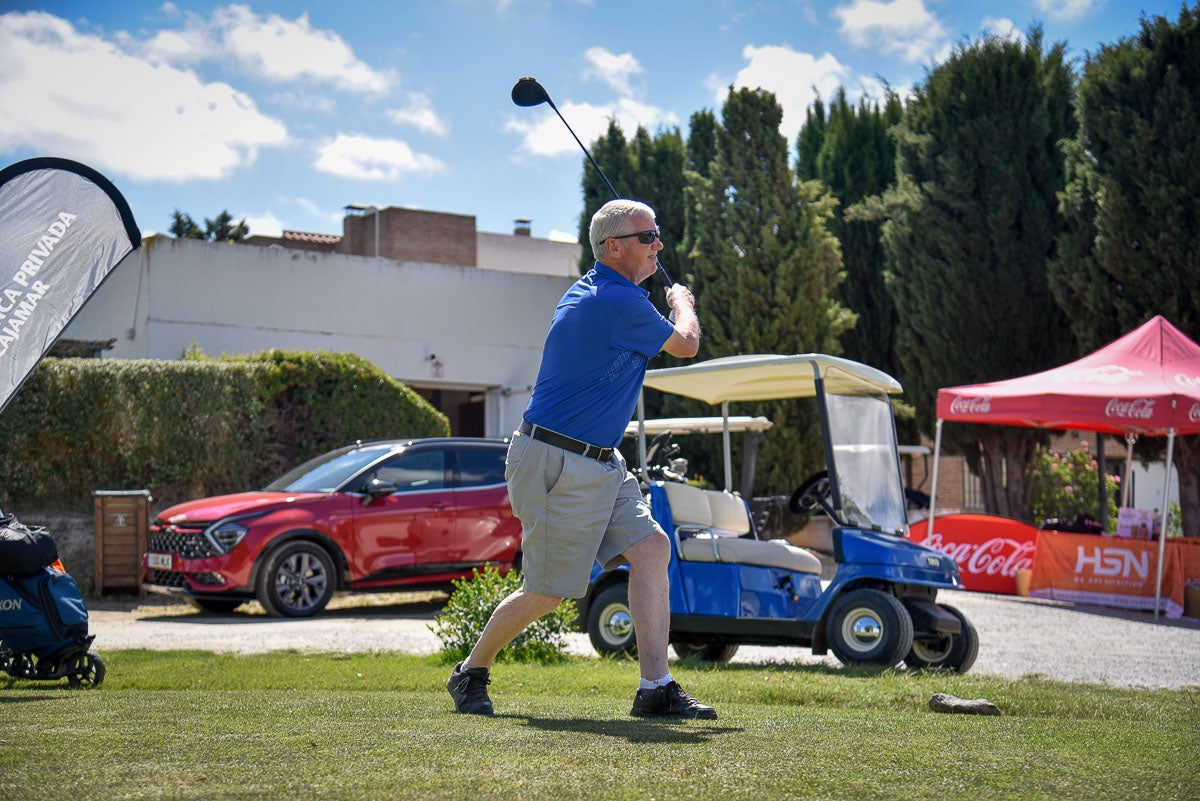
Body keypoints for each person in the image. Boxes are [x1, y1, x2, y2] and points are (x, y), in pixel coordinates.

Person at [446, 198, 714, 720]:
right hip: (555, 460)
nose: (658, 244)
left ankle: (655, 686)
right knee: (548, 593)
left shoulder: (610, 293)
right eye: (647, 237)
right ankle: (470, 671)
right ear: (613, 248)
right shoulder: (615, 300)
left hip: (599, 460)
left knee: (652, 548)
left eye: (658, 234)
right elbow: (686, 344)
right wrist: (682, 299)